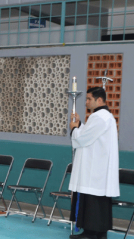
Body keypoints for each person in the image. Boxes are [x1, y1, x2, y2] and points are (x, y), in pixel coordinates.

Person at [68, 87, 119, 239]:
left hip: (95, 169)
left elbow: (83, 139)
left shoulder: (99, 117)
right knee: (95, 202)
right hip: (97, 167)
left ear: (99, 100)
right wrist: (80, 125)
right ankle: (93, 232)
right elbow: (89, 134)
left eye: (89, 99)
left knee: (93, 202)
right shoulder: (103, 117)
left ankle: (92, 233)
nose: (86, 102)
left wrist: (74, 128)